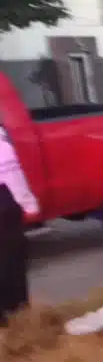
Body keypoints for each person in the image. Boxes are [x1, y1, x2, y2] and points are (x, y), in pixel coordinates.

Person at [0, 122, 37, 322]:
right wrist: (30, 205)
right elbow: (14, 179)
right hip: (4, 210)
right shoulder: (2, 147)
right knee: (11, 261)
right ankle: (16, 314)